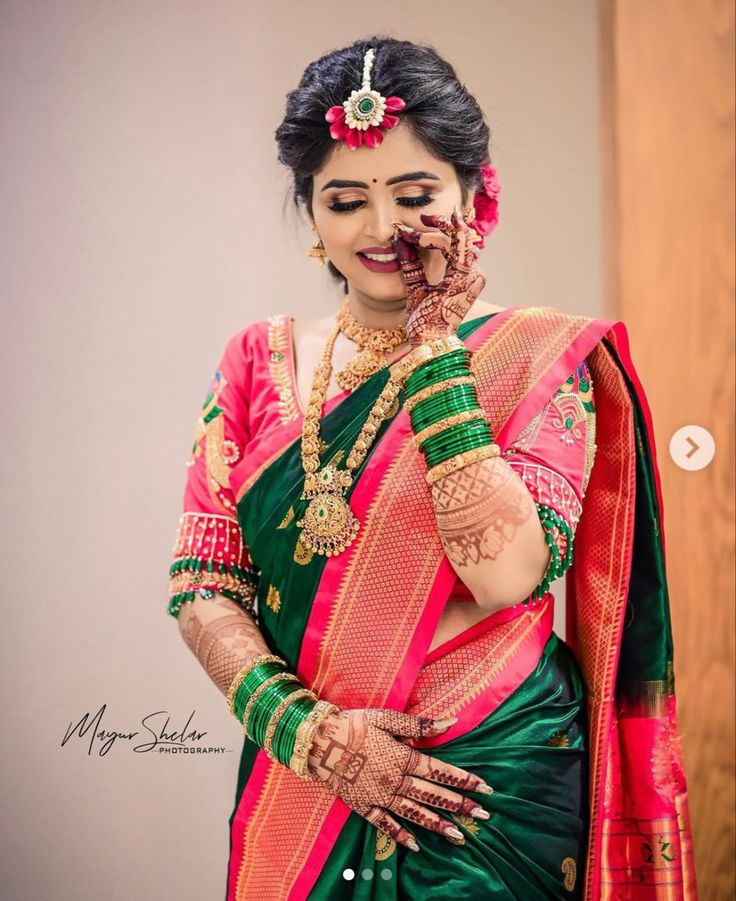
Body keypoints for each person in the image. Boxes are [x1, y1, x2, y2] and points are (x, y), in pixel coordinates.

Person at [167, 37, 697, 901]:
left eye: (415, 195)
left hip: (491, 777)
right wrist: (314, 736)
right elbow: (203, 586)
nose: (382, 230)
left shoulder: (534, 357)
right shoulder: (253, 363)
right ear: (313, 214)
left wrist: (437, 352)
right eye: (345, 201)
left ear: (472, 196)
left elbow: (505, 576)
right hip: (310, 771)